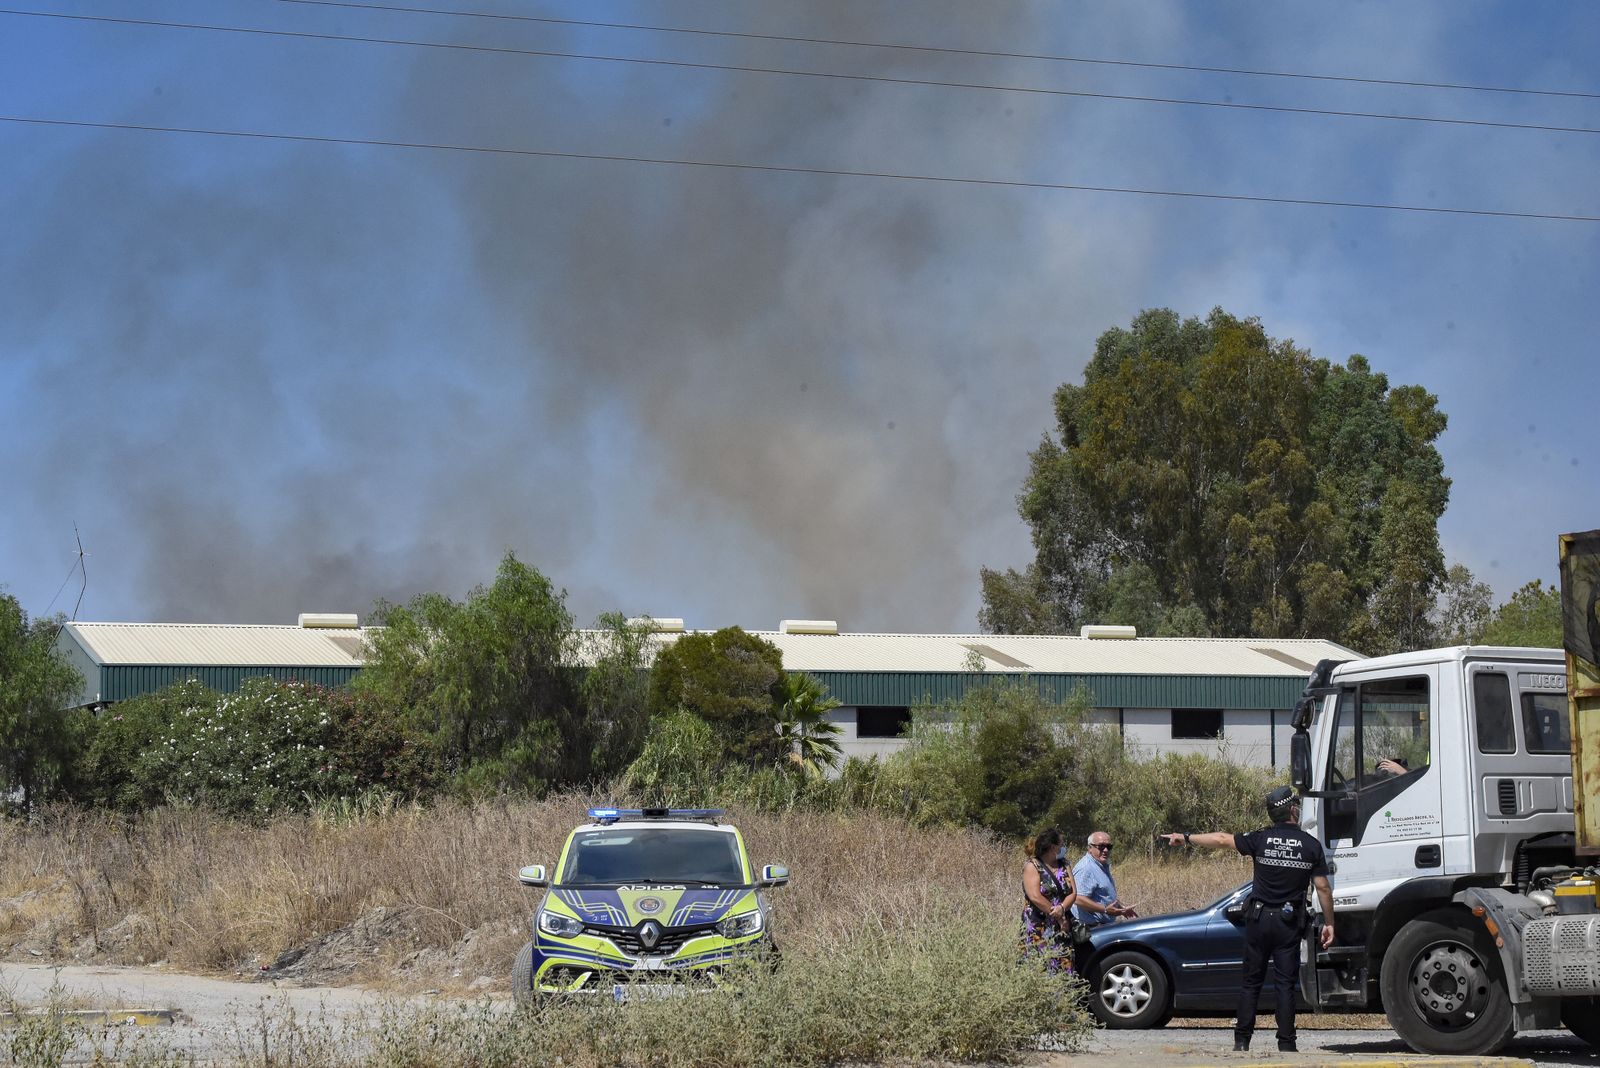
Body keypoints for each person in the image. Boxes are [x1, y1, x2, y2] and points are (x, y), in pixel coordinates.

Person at [1161, 787, 1335, 1053]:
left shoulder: (1260, 838)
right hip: (1288, 924)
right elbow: (1322, 888)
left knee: (1251, 983)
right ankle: (1286, 1045)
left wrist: (1185, 837)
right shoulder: (1310, 845)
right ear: (1293, 811)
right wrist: (1330, 923)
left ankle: (1242, 1042)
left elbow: (1221, 839)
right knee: (1285, 985)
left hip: (1258, 920)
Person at [1020, 826, 1077, 974]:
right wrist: (1057, 915)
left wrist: (1062, 908)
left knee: (1064, 966)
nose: (1063, 847)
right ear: (1053, 847)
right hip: (1039, 927)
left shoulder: (1064, 864)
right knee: (1040, 968)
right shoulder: (1032, 866)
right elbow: (1035, 896)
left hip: (1062, 925)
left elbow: (1073, 892)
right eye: (1061, 844)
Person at [1071, 831, 1138, 929]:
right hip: (1090, 929)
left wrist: (1121, 908)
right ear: (1090, 848)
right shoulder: (1086, 868)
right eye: (1101, 846)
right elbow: (1078, 899)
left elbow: (1102, 895)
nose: (1106, 850)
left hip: (1101, 926)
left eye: (1109, 847)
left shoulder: (1100, 865)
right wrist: (1105, 910)